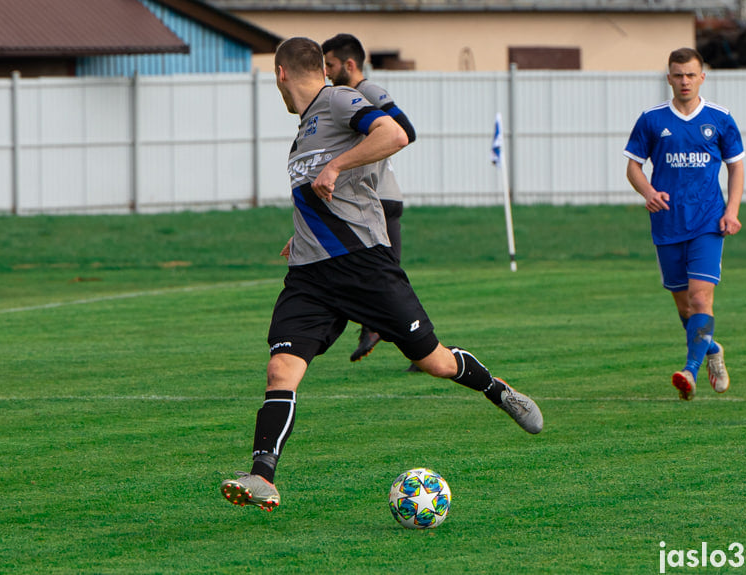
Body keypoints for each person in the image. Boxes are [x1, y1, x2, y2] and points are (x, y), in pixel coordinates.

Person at [220, 37, 543, 511]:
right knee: (280, 369)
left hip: (364, 267)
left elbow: (394, 134)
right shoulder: (304, 127)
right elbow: (320, 195)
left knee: (435, 362)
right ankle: (262, 476)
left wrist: (336, 165)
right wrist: (302, 232)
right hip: (310, 275)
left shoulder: (337, 99)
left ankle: (499, 391)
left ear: (281, 73)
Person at [624, 47, 745, 401]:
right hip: (667, 224)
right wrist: (647, 191)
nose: (685, 81)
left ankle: (689, 372)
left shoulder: (720, 119)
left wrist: (732, 210)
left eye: (691, 75)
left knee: (700, 296)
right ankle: (711, 350)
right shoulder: (652, 119)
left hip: (708, 221)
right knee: (685, 309)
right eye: (678, 75)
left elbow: (736, 165)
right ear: (669, 78)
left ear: (702, 77)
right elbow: (633, 166)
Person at [321, 33, 416, 364]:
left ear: (349, 64)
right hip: (366, 199)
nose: (327, 72)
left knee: (383, 279)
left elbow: (406, 130)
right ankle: (420, 351)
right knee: (386, 279)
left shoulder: (368, 92)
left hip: (379, 198)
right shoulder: (345, 98)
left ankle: (372, 327)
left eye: (330, 65)